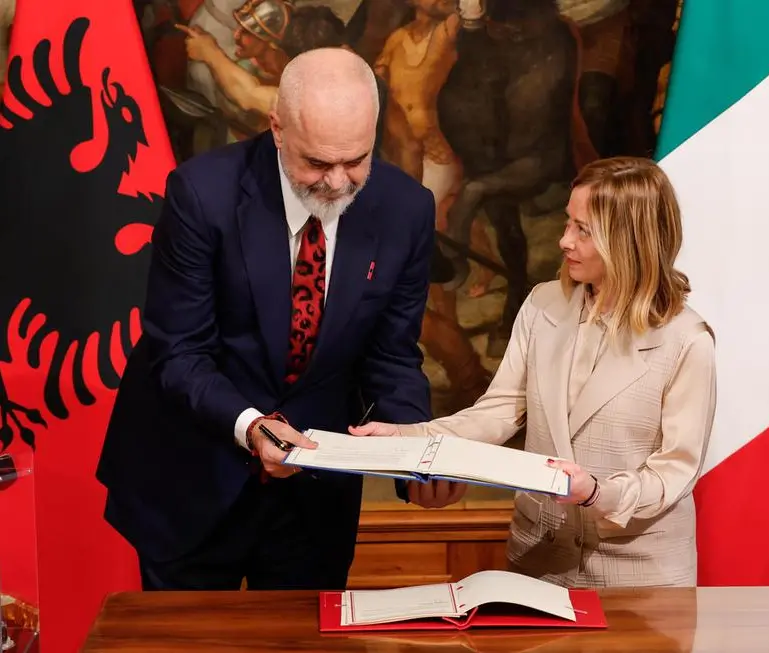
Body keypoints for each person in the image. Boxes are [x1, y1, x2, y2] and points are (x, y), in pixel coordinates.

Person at [96, 47, 466, 592]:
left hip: (313, 500)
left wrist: (416, 453)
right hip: (195, 477)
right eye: (317, 163)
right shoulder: (203, 194)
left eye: (356, 160)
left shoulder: (405, 209)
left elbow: (391, 354)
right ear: (277, 128)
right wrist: (252, 426)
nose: (337, 183)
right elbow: (179, 352)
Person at [352, 156, 717, 587]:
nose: (564, 240)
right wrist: (408, 437)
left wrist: (597, 494)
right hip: (539, 562)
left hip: (638, 574)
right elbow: (498, 412)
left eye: (583, 230)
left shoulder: (687, 340)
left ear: (630, 240)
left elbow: (674, 471)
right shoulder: (543, 304)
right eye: (567, 222)